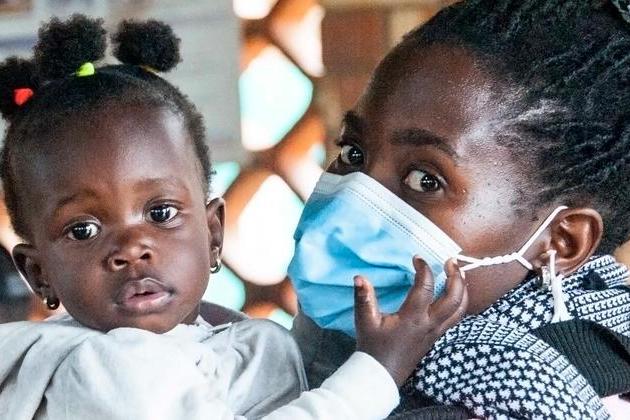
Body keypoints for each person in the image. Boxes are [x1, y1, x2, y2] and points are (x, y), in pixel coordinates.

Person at [0, 15, 468, 420]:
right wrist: (379, 370)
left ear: (213, 232)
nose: (131, 249)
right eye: (83, 230)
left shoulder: (219, 335)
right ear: (39, 274)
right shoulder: (105, 369)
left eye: (160, 213)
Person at [288, 0, 630, 418]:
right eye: (353, 153)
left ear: (560, 241)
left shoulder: (513, 397)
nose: (347, 205)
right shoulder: (609, 333)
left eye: (425, 180)